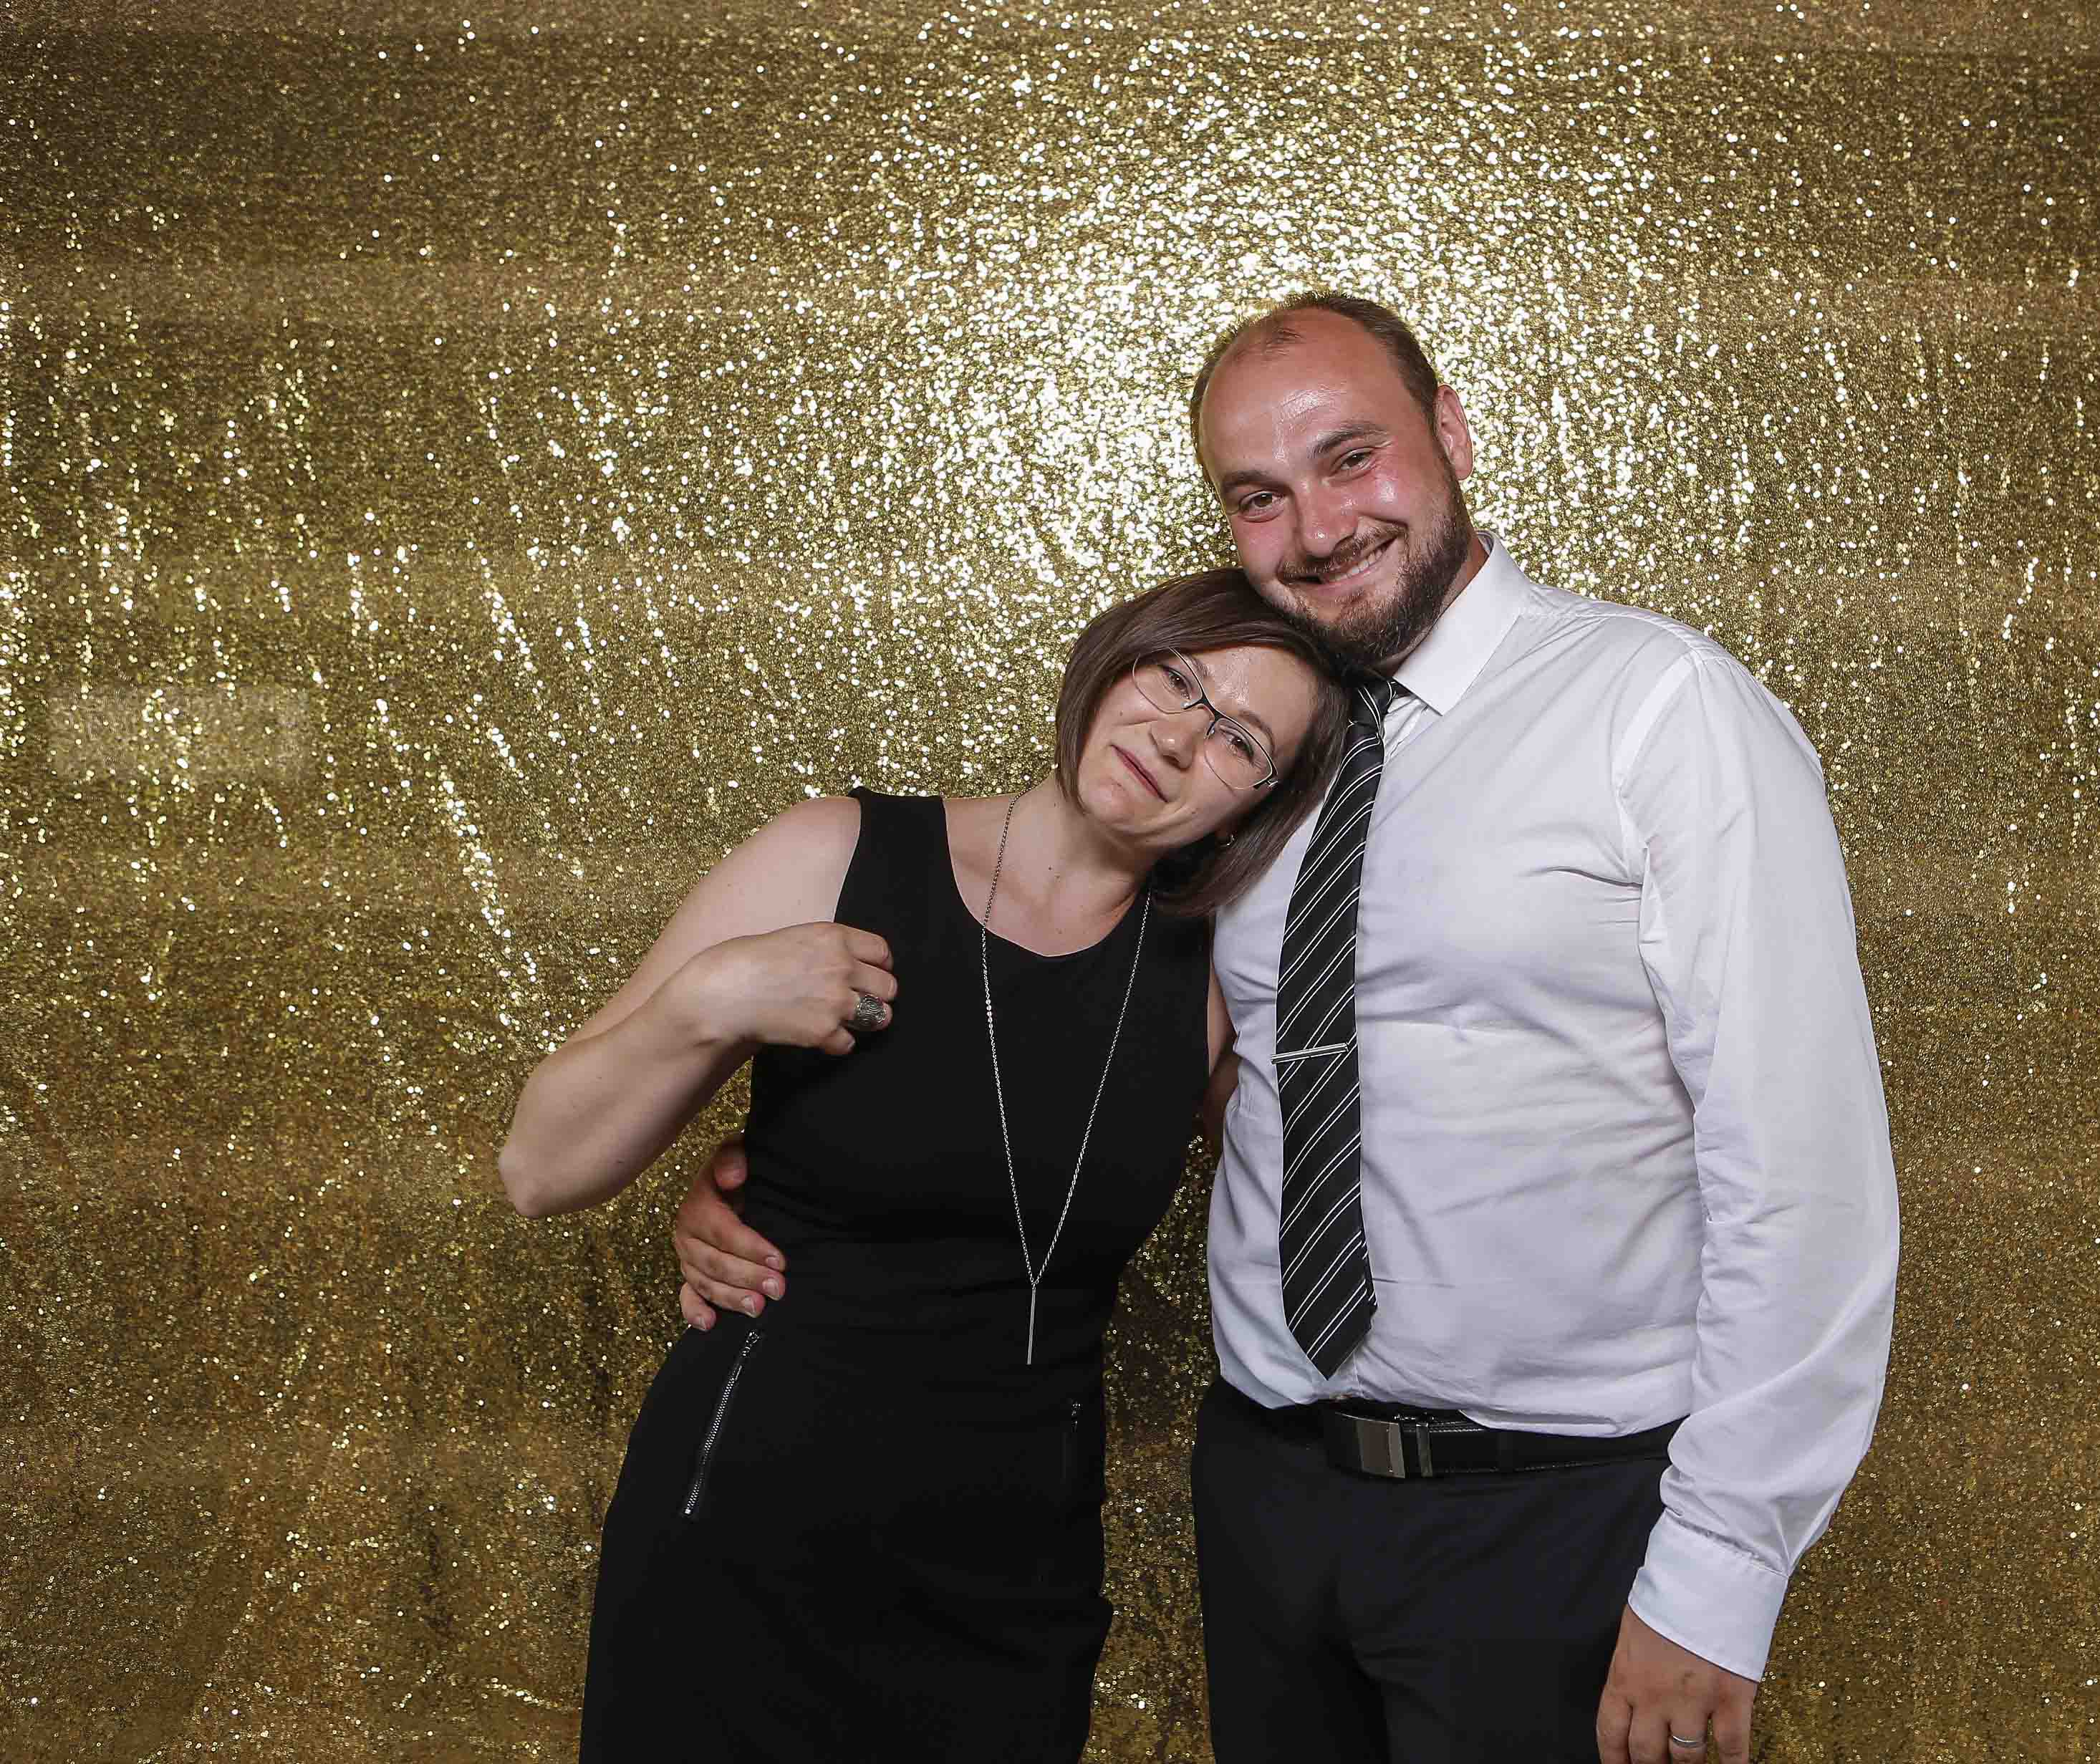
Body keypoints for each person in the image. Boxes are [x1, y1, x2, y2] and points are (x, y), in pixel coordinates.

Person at [675, 294, 1900, 1764]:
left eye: (1351, 458)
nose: (1316, 528)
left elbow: (1801, 1161)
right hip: (1268, 1493)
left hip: (1556, 1513)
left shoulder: (1658, 707)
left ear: (1451, 432)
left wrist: (1721, 1568)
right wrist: (798, 1184)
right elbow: (1118, 1051)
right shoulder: (1242, 757)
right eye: (1258, 496)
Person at [496, 569, 1346, 1761]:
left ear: (1256, 808)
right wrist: (711, 1001)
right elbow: (539, 1168)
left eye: (1239, 741)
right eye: (1175, 676)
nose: (1177, 736)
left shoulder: (1218, 974)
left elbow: (1340, 1193)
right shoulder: (835, 852)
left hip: (1010, 1587)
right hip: (741, 1545)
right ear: (1115, 657)